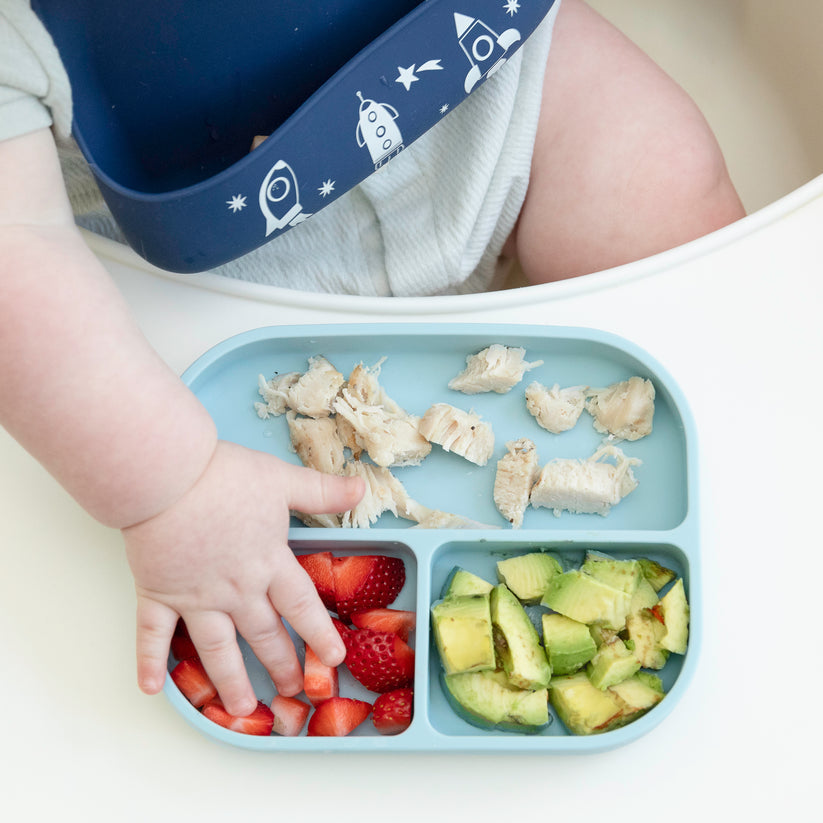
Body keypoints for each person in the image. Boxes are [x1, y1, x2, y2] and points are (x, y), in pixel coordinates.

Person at [0, 0, 744, 718]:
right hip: (212, 265)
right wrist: (167, 484)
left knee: (662, 185)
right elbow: (14, 245)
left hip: (484, 86)